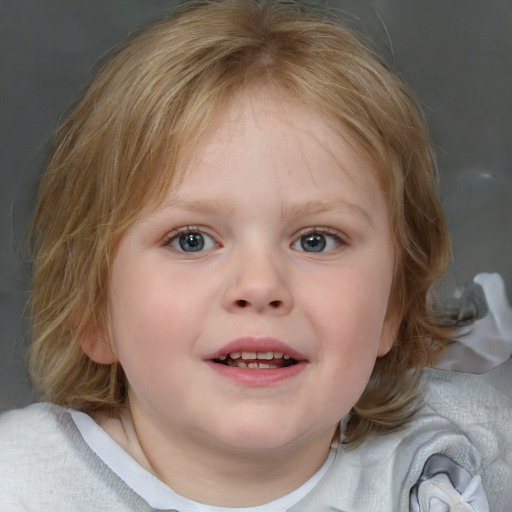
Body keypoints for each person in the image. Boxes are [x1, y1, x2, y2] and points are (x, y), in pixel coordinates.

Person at [1, 1, 510, 510]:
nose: (260, 286)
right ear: (92, 309)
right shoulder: (21, 483)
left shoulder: (453, 460)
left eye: (316, 240)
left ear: (393, 304)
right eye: (191, 240)